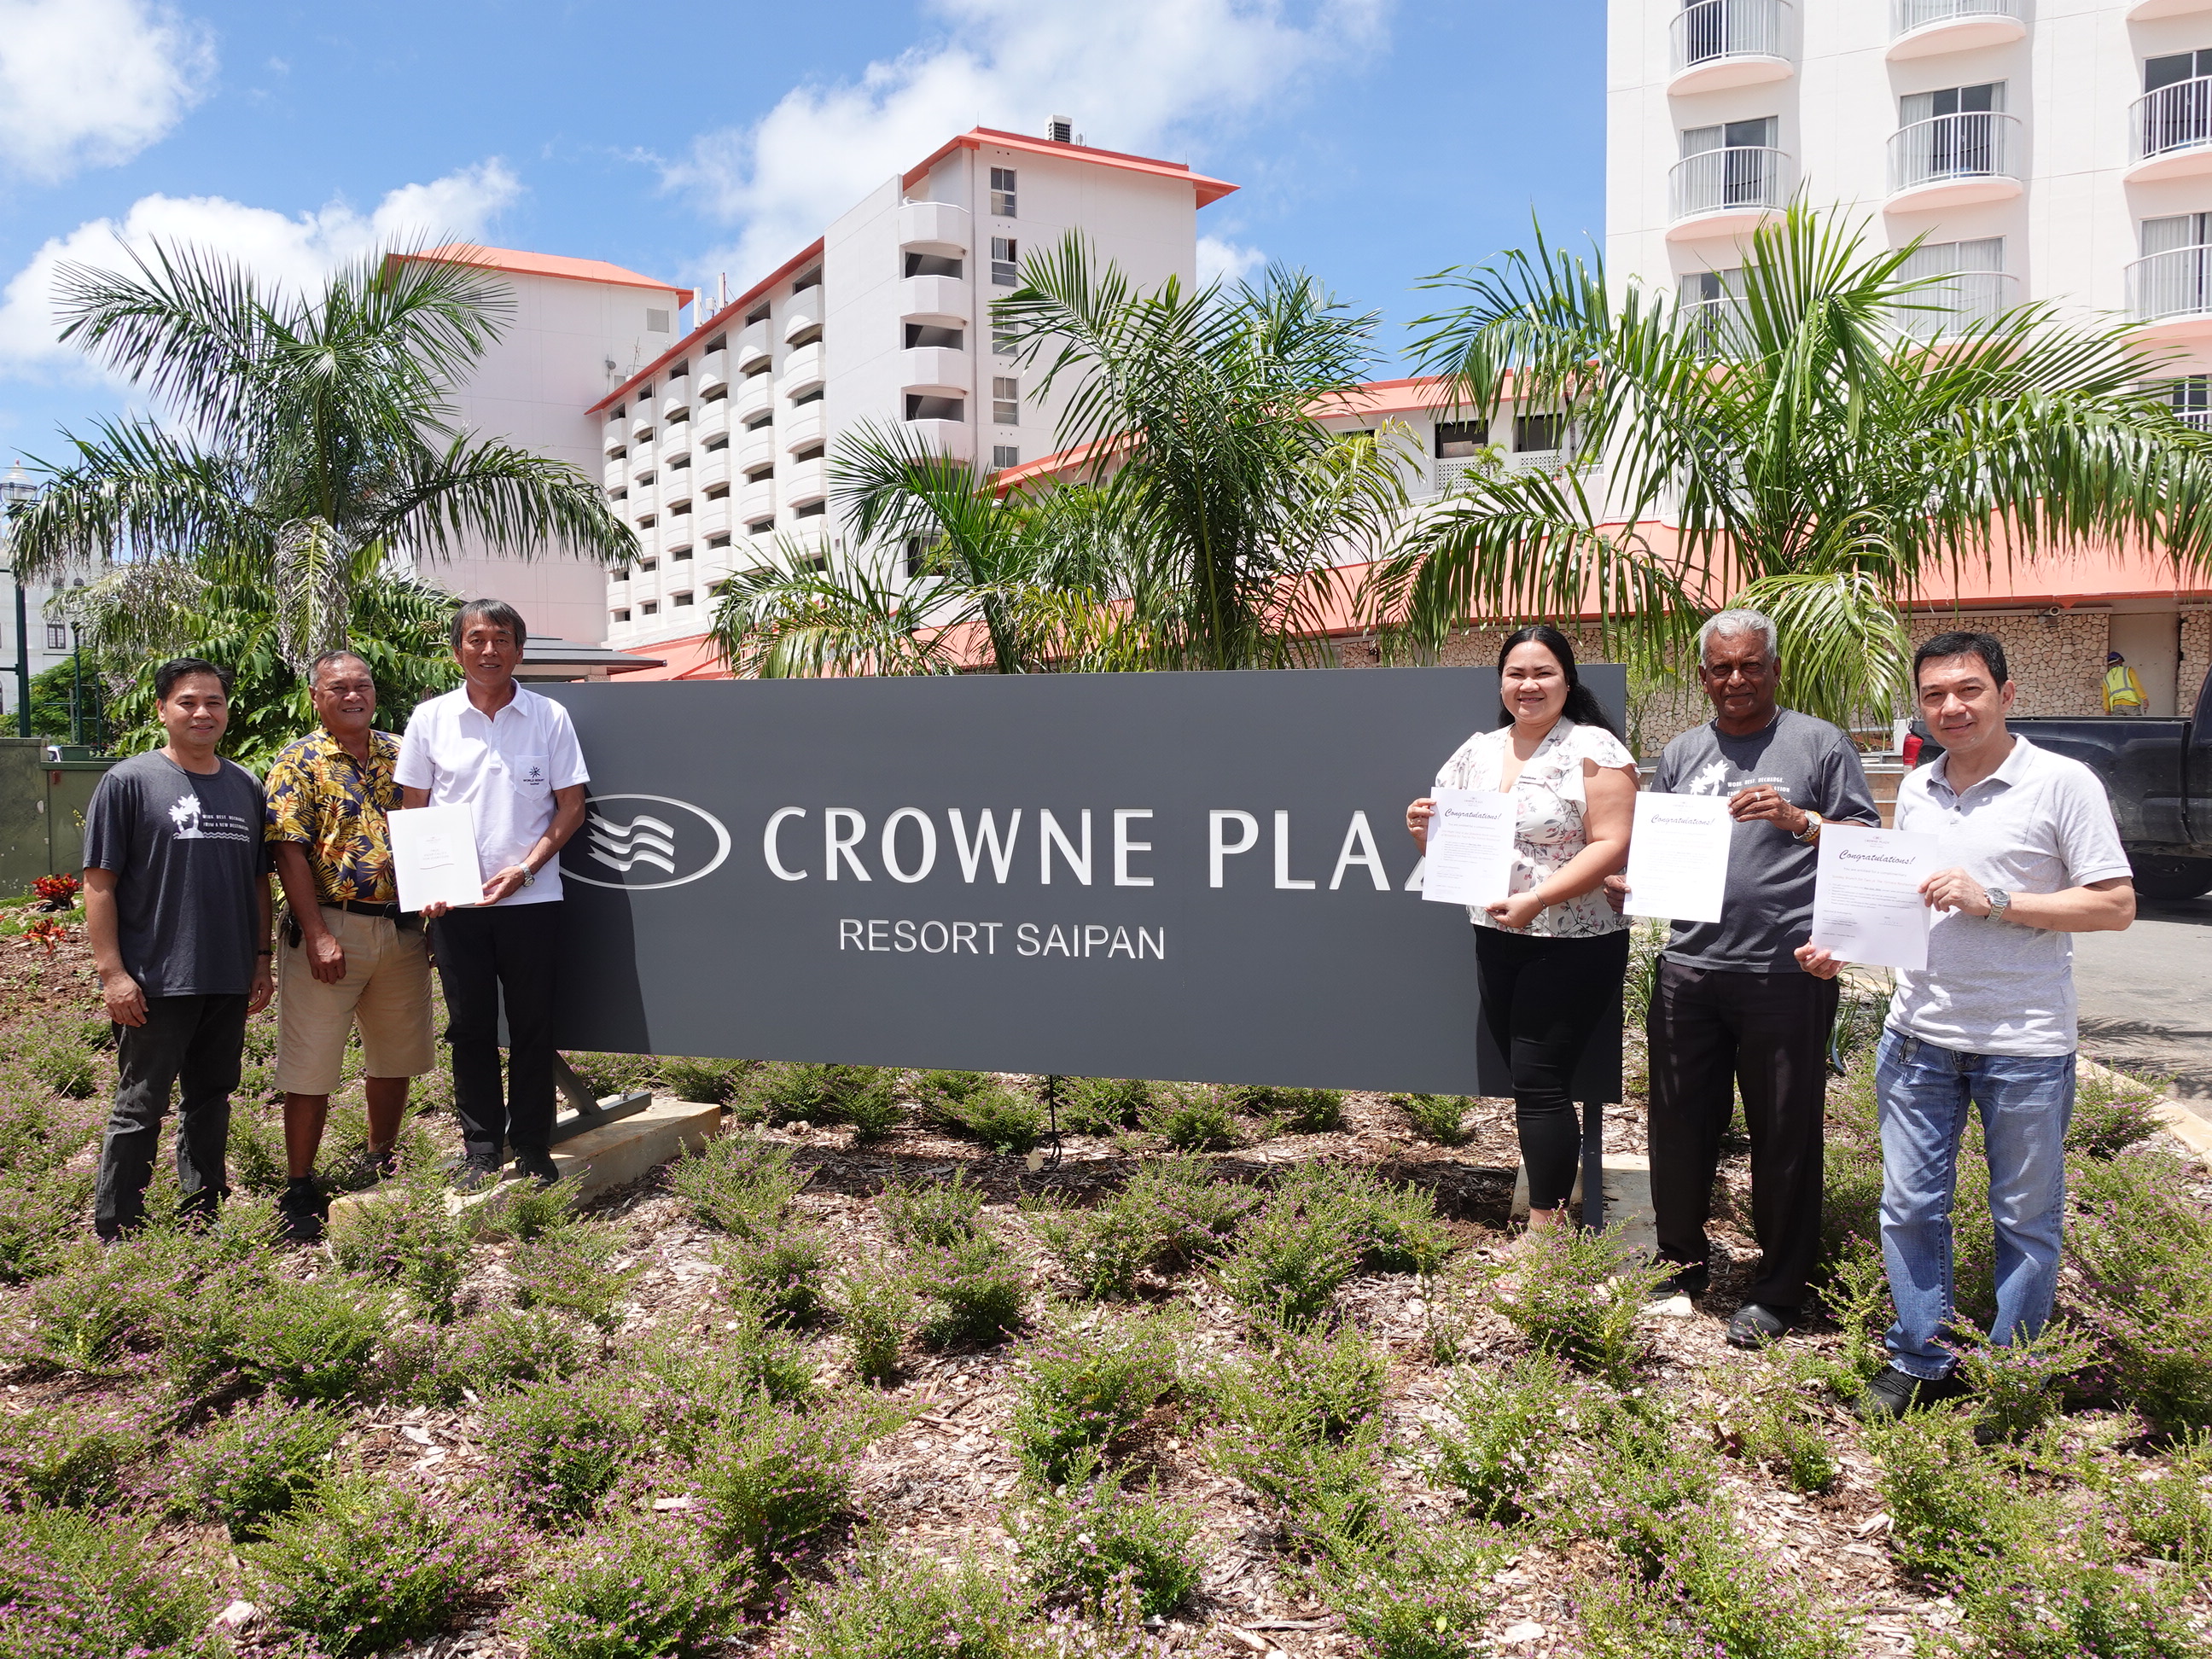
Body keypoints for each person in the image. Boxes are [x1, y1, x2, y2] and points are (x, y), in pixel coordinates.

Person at [1797, 631, 2134, 1418]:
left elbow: (2116, 904)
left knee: (2025, 1218)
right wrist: (1844, 949)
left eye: (1970, 690)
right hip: (1918, 1036)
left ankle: (2011, 1376)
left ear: (2007, 694)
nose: (1952, 707)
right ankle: (1922, 1355)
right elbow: (1909, 900)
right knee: (1911, 1207)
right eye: (1936, 695)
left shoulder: (2063, 784)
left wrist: (1998, 899)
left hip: (2023, 1044)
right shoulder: (1917, 789)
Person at [1607, 609, 1880, 1348]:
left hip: (1782, 972)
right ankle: (1682, 1255)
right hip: (1691, 968)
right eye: (1721, 668)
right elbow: (1663, 854)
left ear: (1774, 669)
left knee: (1784, 1132)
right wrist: (1633, 886)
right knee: (1678, 1122)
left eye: (1750, 665)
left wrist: (1798, 819)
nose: (1736, 679)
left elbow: (1869, 843)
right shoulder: (1685, 752)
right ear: (1704, 677)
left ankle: (1781, 1285)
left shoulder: (1819, 743)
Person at [1406, 626, 1638, 1236]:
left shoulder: (1595, 751)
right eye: (1516, 673)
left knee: (1539, 1083)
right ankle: (1552, 1216)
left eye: (1543, 673)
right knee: (1532, 1082)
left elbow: (1614, 845)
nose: (1528, 685)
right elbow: (1446, 838)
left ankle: (1546, 1232)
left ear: (1568, 680)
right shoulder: (1479, 749)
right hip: (1497, 935)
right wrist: (1420, 827)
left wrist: (1537, 898)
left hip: (1572, 941)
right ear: (1501, 681)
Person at [397, 600, 588, 1190]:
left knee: (533, 1028)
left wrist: (525, 871)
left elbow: (571, 808)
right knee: (470, 1030)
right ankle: (481, 1150)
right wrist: (428, 888)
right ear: (457, 651)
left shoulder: (549, 716)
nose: (489, 650)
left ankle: (531, 1144)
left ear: (519, 650)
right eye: (476, 639)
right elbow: (414, 814)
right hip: (456, 910)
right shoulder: (430, 720)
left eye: (501, 638)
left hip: (533, 903)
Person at [83, 658, 274, 1238]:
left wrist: (261, 959)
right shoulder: (129, 782)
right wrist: (113, 973)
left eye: (214, 702)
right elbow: (99, 883)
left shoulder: (245, 785)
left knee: (212, 1099)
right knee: (140, 1104)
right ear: (163, 709)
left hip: (226, 975)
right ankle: (118, 1225)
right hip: (153, 980)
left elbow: (258, 882)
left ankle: (204, 1212)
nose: (202, 712)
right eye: (188, 702)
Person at [263, 649, 437, 1241]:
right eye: (337, 688)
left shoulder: (403, 751)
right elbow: (288, 849)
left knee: (396, 1057)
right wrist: (315, 934)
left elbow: (430, 830)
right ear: (316, 697)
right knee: (310, 1067)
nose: (352, 695)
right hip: (330, 930)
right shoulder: (298, 762)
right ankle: (300, 1184)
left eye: (361, 685)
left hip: (401, 929)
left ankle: (380, 1158)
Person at [2102, 651, 2147, 717]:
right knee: (2136, 726)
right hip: (2131, 704)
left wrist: (2107, 710)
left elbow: (2105, 696)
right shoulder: (2128, 670)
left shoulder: (2106, 677)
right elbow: (2137, 685)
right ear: (2120, 660)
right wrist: (2144, 698)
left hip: (2116, 707)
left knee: (2119, 727)